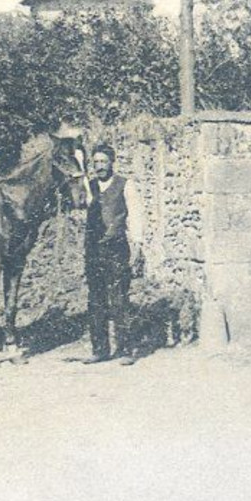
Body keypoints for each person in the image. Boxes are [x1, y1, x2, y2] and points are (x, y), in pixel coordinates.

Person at [84, 143, 145, 363]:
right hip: (93, 249)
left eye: (103, 161)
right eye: (96, 162)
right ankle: (99, 350)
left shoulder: (125, 185)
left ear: (112, 162)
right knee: (95, 299)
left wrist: (137, 243)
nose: (99, 166)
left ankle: (126, 349)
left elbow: (136, 213)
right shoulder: (88, 186)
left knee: (119, 297)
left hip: (116, 248)